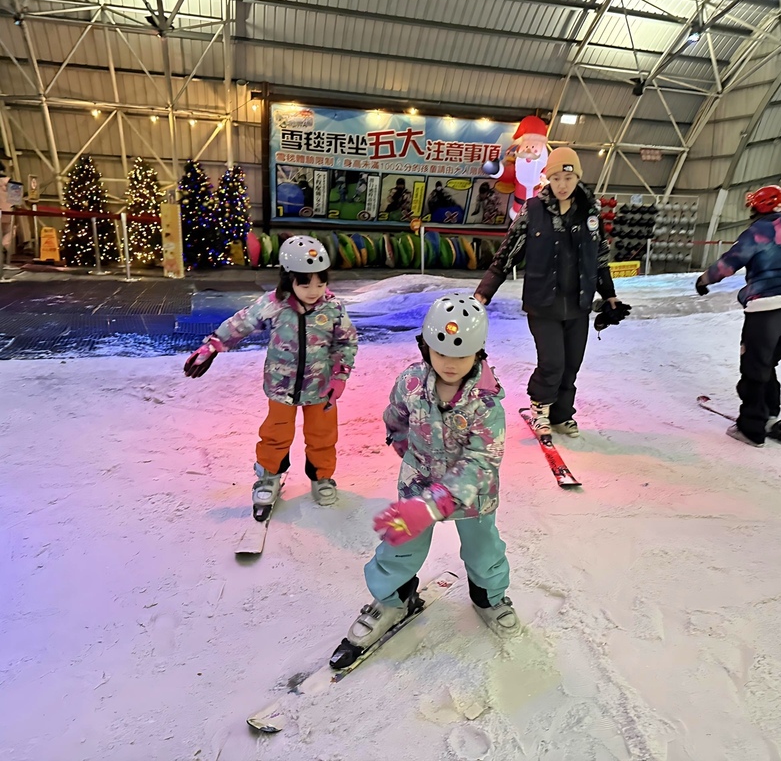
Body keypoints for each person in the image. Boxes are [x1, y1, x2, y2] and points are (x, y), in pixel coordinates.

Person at [334, 295, 517, 665]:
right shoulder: (411, 383)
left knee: (484, 550)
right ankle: (392, 601)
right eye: (441, 352)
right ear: (426, 347)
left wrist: (435, 503)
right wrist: (409, 456)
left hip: (472, 496)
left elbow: (482, 460)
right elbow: (396, 418)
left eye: (461, 355)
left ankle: (489, 598)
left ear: (479, 352)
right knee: (399, 547)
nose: (450, 363)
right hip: (418, 486)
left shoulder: (485, 403)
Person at [182, 236, 358, 516]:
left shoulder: (332, 307)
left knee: (323, 435)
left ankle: (322, 477)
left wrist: (340, 376)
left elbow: (346, 342)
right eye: (305, 284)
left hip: (321, 386)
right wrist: (213, 345)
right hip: (281, 386)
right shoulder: (274, 304)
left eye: (320, 283)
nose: (314, 291)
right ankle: (269, 476)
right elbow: (242, 322)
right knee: (276, 434)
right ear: (289, 280)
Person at [474, 147, 621, 438]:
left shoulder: (590, 212)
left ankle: (562, 415)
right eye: (556, 178)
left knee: (571, 365)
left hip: (578, 304)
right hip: (543, 303)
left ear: (577, 177)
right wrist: (484, 292)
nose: (562, 185)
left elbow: (599, 258)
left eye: (568, 178)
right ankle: (540, 409)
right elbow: (507, 254)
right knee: (552, 362)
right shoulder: (533, 210)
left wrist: (609, 295)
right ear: (548, 179)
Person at [695, 185, 781, 447]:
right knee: (767, 364)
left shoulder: (758, 231)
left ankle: (751, 428)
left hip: (766, 308)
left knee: (754, 368)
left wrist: (704, 280)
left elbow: (730, 262)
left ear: (758, 207)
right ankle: (770, 416)